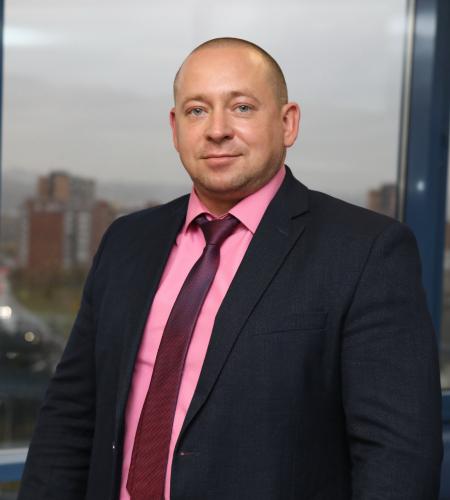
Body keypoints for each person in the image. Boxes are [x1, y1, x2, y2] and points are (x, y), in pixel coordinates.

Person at [19, 37, 442, 500]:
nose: (217, 130)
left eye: (241, 107)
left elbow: (398, 457)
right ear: (175, 128)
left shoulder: (366, 251)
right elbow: (70, 413)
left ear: (287, 122)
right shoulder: (126, 242)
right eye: (197, 110)